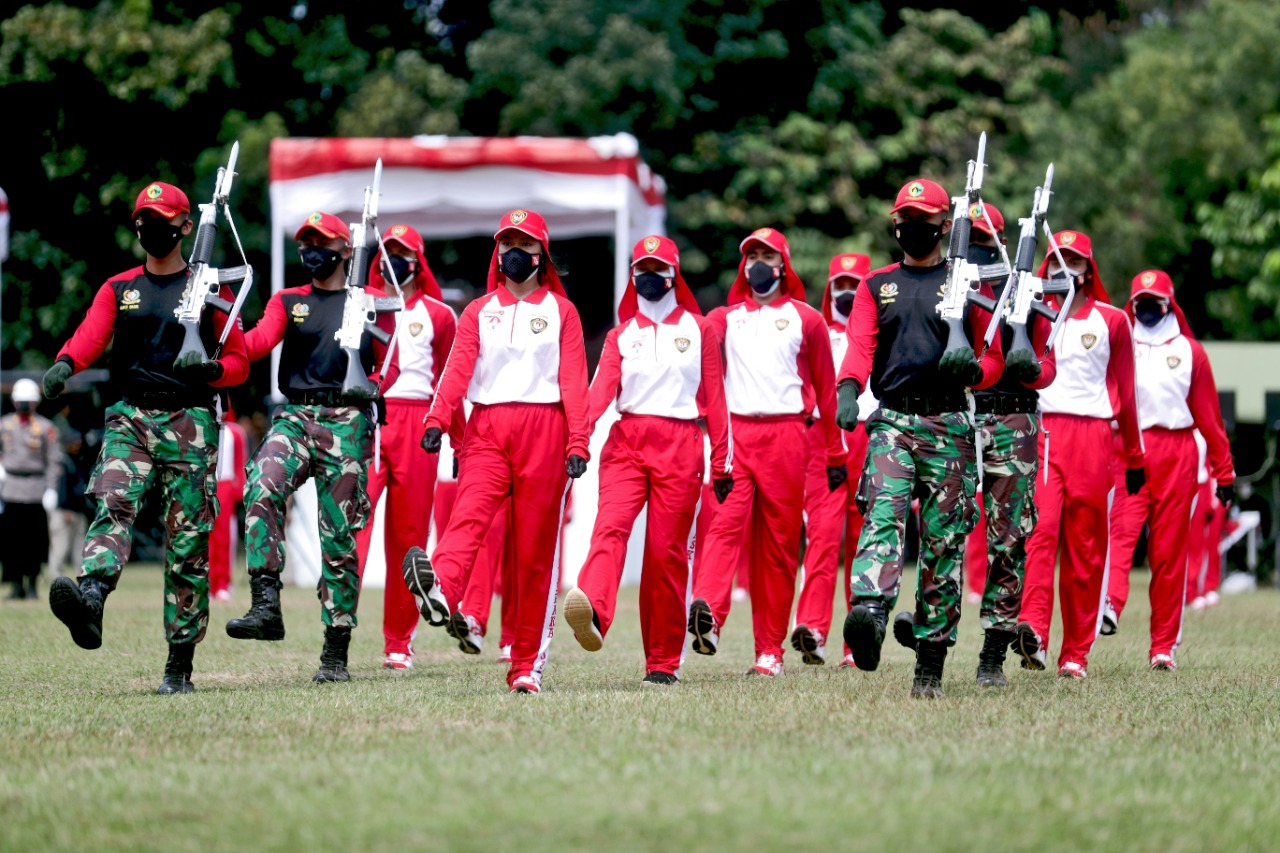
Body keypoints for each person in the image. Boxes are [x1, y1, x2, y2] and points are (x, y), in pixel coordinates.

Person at [44, 180, 249, 694]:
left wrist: (210, 370)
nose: (148, 227)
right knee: (112, 502)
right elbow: (92, 334)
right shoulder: (119, 288)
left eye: (159, 219)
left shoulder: (210, 290)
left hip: (190, 421)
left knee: (187, 545)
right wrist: (65, 364)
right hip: (129, 419)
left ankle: (179, 666)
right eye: (141, 219)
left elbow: (241, 362)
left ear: (184, 226)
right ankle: (91, 597)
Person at [402, 209, 590, 695]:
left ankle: (526, 666)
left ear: (540, 255)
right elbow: (457, 369)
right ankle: (441, 588)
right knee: (468, 516)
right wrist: (438, 419)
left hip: (545, 428)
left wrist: (578, 441)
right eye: (507, 243)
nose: (515, 253)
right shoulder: (478, 311)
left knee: (533, 555)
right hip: (487, 427)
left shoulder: (562, 312)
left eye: (525, 245)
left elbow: (573, 379)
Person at [834, 178, 1005, 698]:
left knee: (943, 542)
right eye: (904, 220)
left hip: (950, 425)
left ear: (943, 226)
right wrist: (847, 390)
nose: (912, 229)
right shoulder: (875, 285)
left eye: (923, 221)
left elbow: (995, 357)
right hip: (891, 421)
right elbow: (860, 346)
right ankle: (869, 610)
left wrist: (975, 370)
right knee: (881, 515)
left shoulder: (969, 286)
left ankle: (930, 659)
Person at [225, 211, 397, 684]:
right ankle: (265, 604)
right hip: (297, 415)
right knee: (261, 483)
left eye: (321, 242)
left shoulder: (369, 302)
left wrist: (376, 385)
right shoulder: (290, 300)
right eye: (305, 242)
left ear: (345, 250)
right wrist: (221, 318)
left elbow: (391, 361)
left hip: (347, 418)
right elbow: (257, 342)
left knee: (339, 536)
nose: (311, 250)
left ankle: (335, 651)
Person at [562, 235, 731, 685]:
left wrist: (722, 464)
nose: (649, 278)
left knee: (666, 555)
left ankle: (662, 662)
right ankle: (594, 610)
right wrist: (578, 441)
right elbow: (598, 395)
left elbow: (715, 401)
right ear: (632, 276)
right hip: (627, 443)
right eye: (641, 270)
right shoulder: (622, 336)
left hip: (682, 443)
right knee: (609, 526)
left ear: (674, 274)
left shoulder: (700, 329)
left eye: (657, 270)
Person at [687, 227, 845, 678]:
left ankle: (769, 651)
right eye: (751, 255)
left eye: (766, 256)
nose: (758, 263)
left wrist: (834, 453)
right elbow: (691, 341)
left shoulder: (807, 319)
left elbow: (827, 391)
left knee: (778, 546)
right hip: (739, 434)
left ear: (783, 265)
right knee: (723, 525)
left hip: (789, 435)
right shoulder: (724, 318)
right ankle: (709, 615)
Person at [936, 202, 1057, 687]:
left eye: (988, 240)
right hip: (961, 414)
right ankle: (933, 644)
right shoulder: (948, 284)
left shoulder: (1021, 289)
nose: (982, 249)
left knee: (1009, 539)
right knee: (944, 532)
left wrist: (1030, 370)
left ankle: (993, 654)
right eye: (974, 239)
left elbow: (1047, 366)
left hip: (1014, 418)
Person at [1017, 230, 1144, 679]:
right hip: (1045, 431)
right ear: (1046, 267)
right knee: (1040, 531)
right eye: (1056, 260)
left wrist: (1134, 456)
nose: (1063, 269)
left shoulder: (1112, 321)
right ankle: (1032, 629)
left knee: (1086, 548)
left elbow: (1126, 393)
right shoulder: (1032, 313)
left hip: (1093, 437)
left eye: (1073, 261)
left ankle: (1076, 653)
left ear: (1089, 270)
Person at [1101, 270, 1233, 670]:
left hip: (1177, 451)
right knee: (1121, 533)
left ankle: (1163, 646)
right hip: (1129, 448)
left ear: (1168, 303)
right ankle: (1110, 604)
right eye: (1139, 301)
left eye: (1154, 302)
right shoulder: (1119, 342)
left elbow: (1210, 418)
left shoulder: (1191, 351)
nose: (1146, 309)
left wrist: (1223, 472)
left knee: (1170, 552)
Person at [352, 224, 460, 670]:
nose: (394, 260)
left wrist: (456, 436)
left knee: (408, 537)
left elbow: (449, 380)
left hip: (420, 422)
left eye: (403, 253)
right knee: (353, 519)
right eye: (388, 252)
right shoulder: (363, 304)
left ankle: (399, 641)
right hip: (372, 416)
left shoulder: (440, 314)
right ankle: (337, 619)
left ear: (417, 261)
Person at [791, 252, 879, 667]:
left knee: (864, 542)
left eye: (855, 285)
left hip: (870, 437)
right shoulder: (816, 332)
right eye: (840, 285)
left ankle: (855, 641)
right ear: (829, 290)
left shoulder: (882, 334)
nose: (847, 293)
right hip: (824, 439)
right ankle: (812, 629)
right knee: (822, 538)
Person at [1, 379, 61, 600]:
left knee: (34, 542)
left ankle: (33, 584)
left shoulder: (45, 427)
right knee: (11, 543)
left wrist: (51, 489)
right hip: (11, 488)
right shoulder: (4, 425)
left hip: (36, 490)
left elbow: (54, 461)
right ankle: (16, 585)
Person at [208, 408, 248, 602]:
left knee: (224, 536)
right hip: (206, 483)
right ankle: (207, 582)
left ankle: (223, 582)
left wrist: (238, 492)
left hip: (225, 485)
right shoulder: (201, 425)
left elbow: (240, 463)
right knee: (204, 536)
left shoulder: (235, 432)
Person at [47, 427, 92, 579]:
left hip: (79, 510)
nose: (77, 444)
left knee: (80, 547)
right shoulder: (62, 461)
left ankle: (82, 576)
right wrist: (65, 509)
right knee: (60, 546)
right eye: (74, 442)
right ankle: (56, 577)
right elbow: (61, 488)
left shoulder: (79, 460)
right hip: (64, 511)